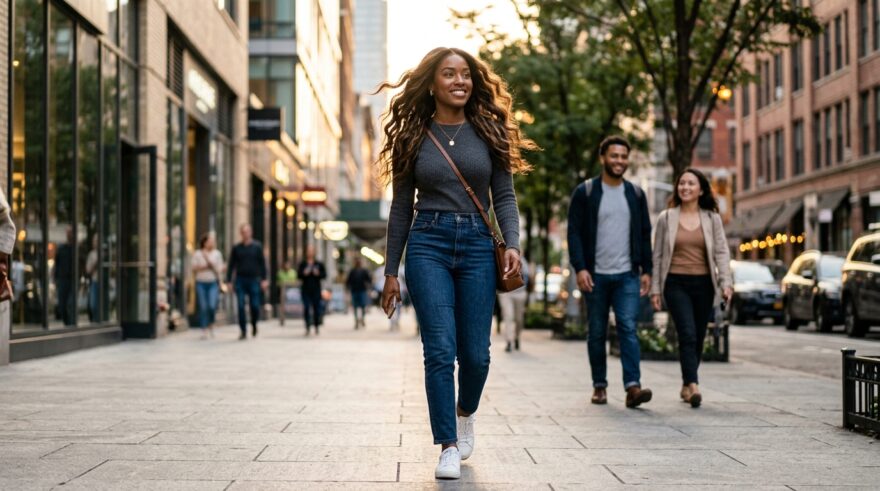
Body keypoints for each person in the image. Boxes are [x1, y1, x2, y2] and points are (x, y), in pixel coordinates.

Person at [378, 47, 533, 480]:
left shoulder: (489, 130)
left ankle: (465, 411)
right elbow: (400, 208)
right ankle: (447, 444)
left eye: (465, 74)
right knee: (440, 350)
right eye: (449, 74)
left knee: (477, 356)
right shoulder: (413, 136)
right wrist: (391, 271)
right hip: (427, 242)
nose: (460, 81)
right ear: (432, 83)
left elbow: (504, 194)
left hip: (478, 248)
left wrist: (513, 244)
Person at [567, 135, 653, 408]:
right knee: (597, 331)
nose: (619, 161)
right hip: (596, 275)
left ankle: (632, 387)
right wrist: (580, 268)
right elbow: (574, 234)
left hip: (628, 273)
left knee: (628, 327)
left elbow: (644, 233)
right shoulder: (586, 192)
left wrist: (647, 270)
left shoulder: (636, 194)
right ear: (602, 158)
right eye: (614, 156)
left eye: (624, 156)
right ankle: (600, 386)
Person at [651, 168, 732, 408]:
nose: (685, 187)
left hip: (704, 283)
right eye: (682, 183)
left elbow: (721, 252)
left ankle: (686, 384)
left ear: (701, 189)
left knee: (697, 335)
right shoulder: (666, 217)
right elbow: (657, 256)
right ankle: (693, 384)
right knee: (686, 331)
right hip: (675, 282)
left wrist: (726, 282)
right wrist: (656, 289)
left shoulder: (712, 218)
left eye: (691, 184)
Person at [226, 224, 268, 340]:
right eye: (243, 232)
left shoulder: (257, 246)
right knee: (240, 305)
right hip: (240, 279)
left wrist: (264, 279)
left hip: (254, 279)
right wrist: (229, 281)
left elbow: (263, 264)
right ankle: (243, 330)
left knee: (254, 305)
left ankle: (254, 324)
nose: (245, 234)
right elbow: (231, 265)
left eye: (247, 231)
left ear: (251, 232)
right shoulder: (236, 248)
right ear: (241, 233)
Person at [192, 233, 225, 339]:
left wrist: (210, 264)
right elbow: (194, 268)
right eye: (209, 241)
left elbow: (220, 269)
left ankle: (211, 324)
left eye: (212, 241)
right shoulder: (197, 253)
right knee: (203, 306)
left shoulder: (217, 254)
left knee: (211, 306)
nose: (211, 243)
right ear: (204, 242)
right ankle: (204, 329)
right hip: (201, 282)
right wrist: (206, 266)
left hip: (213, 283)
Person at [499, 257, 529, 352]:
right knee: (508, 316)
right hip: (506, 293)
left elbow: (527, 277)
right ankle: (508, 341)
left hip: (520, 293)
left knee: (519, 319)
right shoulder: (502, 256)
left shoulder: (523, 260)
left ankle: (516, 336)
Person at [297, 245, 326, 335]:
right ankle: (307, 326)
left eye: (311, 251)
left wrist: (318, 273)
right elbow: (299, 275)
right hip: (305, 289)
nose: (310, 252)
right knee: (306, 307)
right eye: (308, 251)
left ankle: (316, 325)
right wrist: (304, 273)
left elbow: (324, 275)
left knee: (316, 308)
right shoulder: (303, 264)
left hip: (316, 289)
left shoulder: (319, 264)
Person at [346, 258, 371, 329]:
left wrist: (368, 287)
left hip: (362, 290)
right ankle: (356, 320)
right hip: (354, 290)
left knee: (362, 306)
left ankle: (362, 319)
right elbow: (348, 281)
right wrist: (348, 289)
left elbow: (369, 280)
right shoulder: (352, 271)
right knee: (355, 306)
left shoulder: (364, 271)